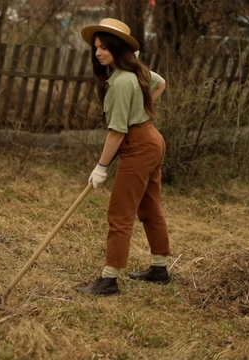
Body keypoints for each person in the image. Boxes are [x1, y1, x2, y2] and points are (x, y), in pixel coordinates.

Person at [75, 18, 169, 296]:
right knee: (150, 207)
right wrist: (143, 107)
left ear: (118, 47)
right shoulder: (135, 72)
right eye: (96, 48)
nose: (99, 53)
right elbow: (160, 82)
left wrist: (101, 167)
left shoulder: (120, 84)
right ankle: (160, 268)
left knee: (120, 213)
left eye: (105, 47)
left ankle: (108, 280)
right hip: (152, 139)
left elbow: (116, 133)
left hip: (139, 145)